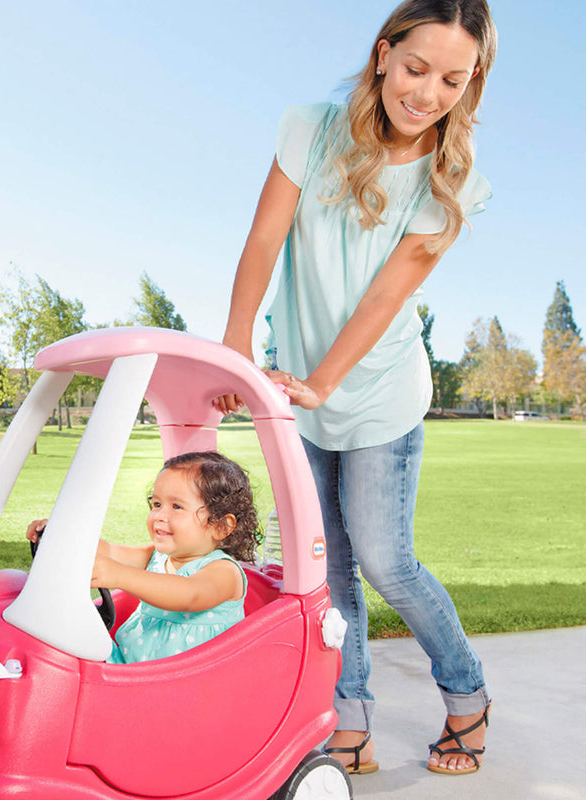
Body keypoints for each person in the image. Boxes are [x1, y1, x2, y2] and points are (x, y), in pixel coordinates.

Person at [216, 0, 496, 777]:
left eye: (453, 79)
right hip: (295, 383)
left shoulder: (451, 179)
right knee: (324, 568)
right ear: (381, 55)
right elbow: (265, 237)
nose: (428, 93)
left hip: (376, 393)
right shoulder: (309, 130)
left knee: (385, 561)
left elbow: (384, 297)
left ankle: (468, 696)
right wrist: (237, 346)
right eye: (415, 68)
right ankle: (347, 722)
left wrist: (322, 382)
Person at [26, 450, 261, 664]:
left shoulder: (223, 571)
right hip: (130, 664)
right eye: (157, 504)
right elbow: (111, 552)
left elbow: (188, 594)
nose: (159, 515)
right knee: (55, 641)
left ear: (221, 525)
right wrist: (62, 535)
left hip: (191, 681)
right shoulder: (156, 556)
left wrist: (118, 575)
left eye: (176, 507)